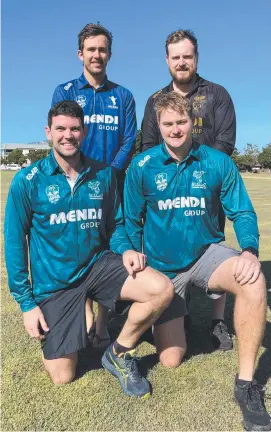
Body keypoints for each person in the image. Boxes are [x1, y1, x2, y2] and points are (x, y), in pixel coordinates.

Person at [4, 101, 174, 399]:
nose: (67, 135)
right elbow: (15, 243)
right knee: (62, 376)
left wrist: (125, 250)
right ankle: (70, 325)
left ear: (84, 132)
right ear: (49, 132)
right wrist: (27, 304)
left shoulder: (104, 175)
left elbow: (117, 225)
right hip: (55, 282)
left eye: (74, 129)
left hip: (98, 267)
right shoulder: (28, 181)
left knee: (161, 289)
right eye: (60, 129)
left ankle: (117, 353)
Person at [124, 92, 270, 431]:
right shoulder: (142, 166)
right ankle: (169, 315)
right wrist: (133, 255)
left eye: (181, 122)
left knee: (253, 278)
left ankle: (246, 384)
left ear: (193, 123)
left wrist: (248, 249)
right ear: (158, 126)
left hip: (206, 255)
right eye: (168, 123)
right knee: (172, 359)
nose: (175, 129)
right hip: (163, 268)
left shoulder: (217, 162)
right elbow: (128, 222)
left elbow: (242, 210)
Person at [141, 29, 237, 349]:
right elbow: (148, 148)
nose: (182, 62)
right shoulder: (155, 101)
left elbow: (224, 142)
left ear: (196, 58)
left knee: (213, 250)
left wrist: (202, 178)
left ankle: (216, 321)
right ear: (166, 60)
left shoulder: (217, 95)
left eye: (187, 56)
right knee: (168, 251)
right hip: (167, 194)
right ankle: (174, 310)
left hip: (207, 192)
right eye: (176, 57)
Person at [52, 23, 137, 347]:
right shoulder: (65, 91)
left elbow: (129, 137)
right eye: (91, 49)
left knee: (108, 249)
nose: (97, 55)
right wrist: (83, 173)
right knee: (81, 246)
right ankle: (85, 317)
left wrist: (110, 172)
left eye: (102, 49)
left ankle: (102, 325)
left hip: (111, 184)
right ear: (80, 54)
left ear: (109, 54)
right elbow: (64, 135)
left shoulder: (123, 95)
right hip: (76, 184)